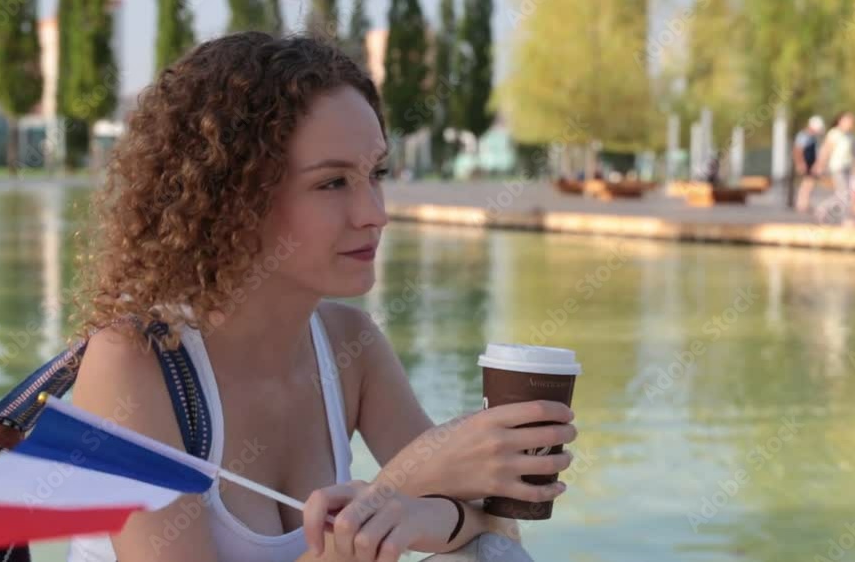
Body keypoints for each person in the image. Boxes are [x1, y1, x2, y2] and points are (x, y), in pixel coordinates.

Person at [67, 33, 576, 562]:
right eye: (332, 183)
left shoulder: (350, 347)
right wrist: (400, 486)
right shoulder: (133, 365)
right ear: (234, 199)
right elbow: (428, 488)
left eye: (375, 174)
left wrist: (409, 510)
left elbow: (497, 530)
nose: (374, 213)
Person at [813, 112, 855, 225]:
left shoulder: (850, 136)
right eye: (848, 121)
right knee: (844, 194)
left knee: (844, 194)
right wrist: (820, 165)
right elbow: (826, 150)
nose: (850, 124)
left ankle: (823, 208)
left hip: (847, 167)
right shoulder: (834, 134)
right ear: (840, 121)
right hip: (837, 167)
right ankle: (845, 219)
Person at [793, 115, 826, 213]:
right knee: (807, 184)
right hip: (806, 163)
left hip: (811, 163)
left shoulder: (812, 137)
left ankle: (804, 203)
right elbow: (798, 150)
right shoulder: (804, 136)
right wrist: (800, 163)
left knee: (809, 184)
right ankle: (802, 204)